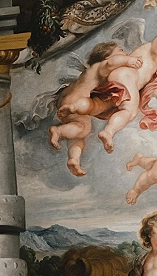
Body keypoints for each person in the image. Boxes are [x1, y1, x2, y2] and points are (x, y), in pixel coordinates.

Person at [96, 26, 157, 153]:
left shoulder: (154, 67)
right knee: (129, 112)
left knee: (122, 110)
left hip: (123, 80)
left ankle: (108, 130)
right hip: (126, 77)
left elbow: (148, 88)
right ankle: (108, 132)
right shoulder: (154, 49)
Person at [48, 42, 142, 176]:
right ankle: (58, 130)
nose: (126, 53)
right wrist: (129, 60)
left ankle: (73, 159)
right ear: (106, 56)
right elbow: (111, 63)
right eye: (121, 51)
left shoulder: (88, 72)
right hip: (77, 101)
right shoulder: (101, 67)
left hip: (65, 100)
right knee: (84, 128)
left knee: (79, 134)